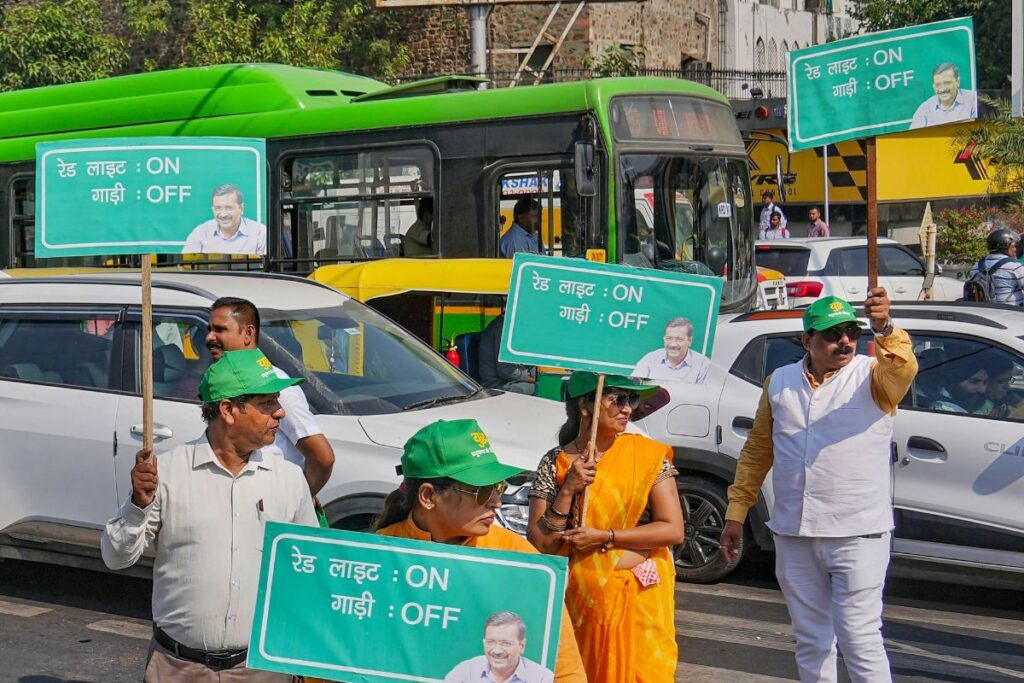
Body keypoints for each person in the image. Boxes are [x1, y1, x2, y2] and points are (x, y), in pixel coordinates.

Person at [720, 291, 917, 683]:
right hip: (795, 532)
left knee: (859, 638)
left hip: (857, 533)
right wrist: (736, 514)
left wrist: (885, 327)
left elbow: (905, 367)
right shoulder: (780, 382)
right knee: (811, 641)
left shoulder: (874, 374)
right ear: (807, 340)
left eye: (850, 331)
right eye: (832, 334)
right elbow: (758, 451)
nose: (844, 341)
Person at [101, 350, 317, 681]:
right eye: (267, 402)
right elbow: (116, 558)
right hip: (177, 668)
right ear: (229, 410)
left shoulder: (288, 479)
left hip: (260, 670)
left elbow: (306, 570)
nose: (280, 412)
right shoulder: (169, 473)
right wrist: (138, 504)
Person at [374, 419, 587, 682]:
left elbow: (564, 667)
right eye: (482, 491)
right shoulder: (375, 558)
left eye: (498, 487)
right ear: (428, 496)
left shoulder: (519, 558)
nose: (497, 502)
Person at [527, 373, 684, 683]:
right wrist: (569, 489)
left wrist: (606, 537)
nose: (628, 409)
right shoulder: (556, 462)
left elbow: (673, 530)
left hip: (636, 600)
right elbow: (541, 543)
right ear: (586, 405)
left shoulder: (648, 456)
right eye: (619, 399)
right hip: (578, 600)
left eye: (632, 400)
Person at [207, 297, 335, 495]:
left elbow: (322, 457)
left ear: (248, 333)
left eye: (220, 330)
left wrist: (298, 501)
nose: (210, 337)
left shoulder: (273, 382)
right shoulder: (218, 379)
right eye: (209, 330)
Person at [445, 611, 554, 683]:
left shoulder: (542, 679)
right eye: (490, 642)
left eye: (506, 643)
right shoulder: (465, 672)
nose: (497, 651)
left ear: (522, 646)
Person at [182, 184, 267, 255]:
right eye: (218, 208)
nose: (223, 214)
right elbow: (185, 267)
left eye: (229, 208)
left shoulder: (261, 233)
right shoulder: (201, 233)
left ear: (241, 208)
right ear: (212, 209)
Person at [632, 317, 711, 383]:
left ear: (689, 341)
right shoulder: (651, 359)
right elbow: (634, 386)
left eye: (679, 339)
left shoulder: (703, 365)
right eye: (669, 338)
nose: (673, 344)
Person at [478, 313, 535, 394]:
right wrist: (532, 378)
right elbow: (506, 371)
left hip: (511, 381)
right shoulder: (505, 327)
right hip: (498, 385)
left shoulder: (517, 324)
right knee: (545, 389)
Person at [910, 63, 978, 129]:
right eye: (938, 85)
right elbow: (912, 139)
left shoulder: (974, 100)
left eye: (947, 83)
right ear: (933, 87)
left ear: (958, 81)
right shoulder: (924, 110)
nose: (942, 89)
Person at [966, 229, 1024, 305]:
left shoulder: (977, 266)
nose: (1015, 249)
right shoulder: (1014, 267)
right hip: (1011, 312)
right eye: (1013, 246)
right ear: (1005, 247)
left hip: (987, 311)